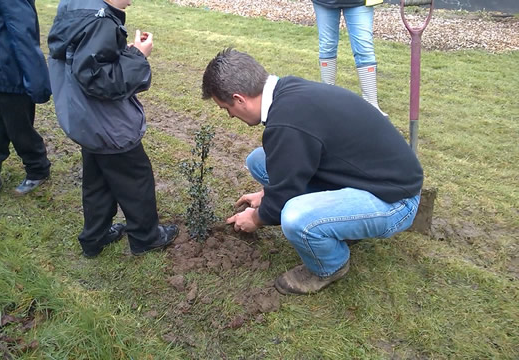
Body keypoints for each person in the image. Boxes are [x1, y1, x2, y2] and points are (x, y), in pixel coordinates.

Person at [202, 49, 423, 295]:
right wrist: (267, 195)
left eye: (226, 108)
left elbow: (280, 204)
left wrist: (254, 218)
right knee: (259, 161)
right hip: (366, 177)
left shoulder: (286, 123)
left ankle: (330, 266)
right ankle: (340, 223)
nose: (231, 116)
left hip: (395, 201)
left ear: (239, 98)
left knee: (296, 218)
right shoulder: (288, 92)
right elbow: (296, 162)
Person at [47, 0, 178, 257]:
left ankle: (94, 238)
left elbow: (86, 61)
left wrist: (120, 53)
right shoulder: (101, 22)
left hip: (85, 119)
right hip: (108, 124)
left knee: (98, 181)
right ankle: (146, 237)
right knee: (136, 178)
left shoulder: (76, 6)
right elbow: (103, 82)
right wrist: (138, 55)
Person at [0, 0, 53, 205]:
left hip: (11, 70)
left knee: (19, 127)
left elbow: (23, 32)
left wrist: (36, 80)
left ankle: (38, 169)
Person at [312, 0, 387, 116]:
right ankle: (328, 99)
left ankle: (372, 105)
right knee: (327, 46)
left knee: (364, 48)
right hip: (324, 2)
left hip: (359, 2)